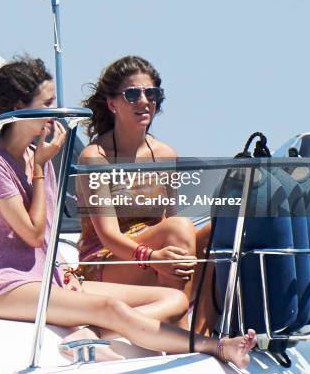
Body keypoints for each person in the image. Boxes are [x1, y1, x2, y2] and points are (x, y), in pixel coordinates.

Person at [0, 57, 256, 367]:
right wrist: (43, 167)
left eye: (152, 95)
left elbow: (45, 236)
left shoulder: (34, 155)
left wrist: (57, 273)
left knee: (174, 299)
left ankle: (105, 330)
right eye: (49, 103)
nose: (57, 113)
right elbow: (32, 234)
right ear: (21, 107)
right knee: (113, 307)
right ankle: (215, 346)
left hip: (45, 279)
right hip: (6, 287)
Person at [77, 56, 211, 303]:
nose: (144, 101)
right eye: (132, 94)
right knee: (179, 228)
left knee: (218, 233)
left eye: (151, 94)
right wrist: (151, 257)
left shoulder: (165, 155)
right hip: (104, 261)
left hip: (153, 254)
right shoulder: (95, 158)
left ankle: (197, 325)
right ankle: (179, 327)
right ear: (112, 103)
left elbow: (168, 217)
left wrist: (161, 256)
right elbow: (108, 235)